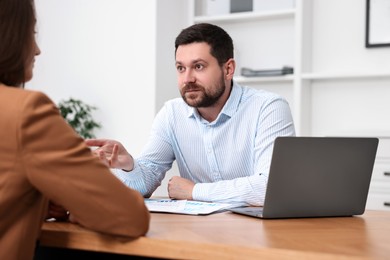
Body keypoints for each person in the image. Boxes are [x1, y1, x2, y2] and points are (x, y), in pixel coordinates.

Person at [0, 0, 150, 259]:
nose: (36, 50)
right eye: (31, 33)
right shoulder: (26, 112)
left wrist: (40, 203)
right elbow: (130, 216)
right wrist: (88, 191)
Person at [87, 23, 295, 206]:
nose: (187, 78)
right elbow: (145, 184)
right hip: (196, 232)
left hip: (258, 234)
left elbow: (272, 187)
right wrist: (129, 166)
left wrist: (194, 191)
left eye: (198, 66)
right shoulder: (172, 114)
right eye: (180, 68)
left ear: (228, 69)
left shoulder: (268, 108)